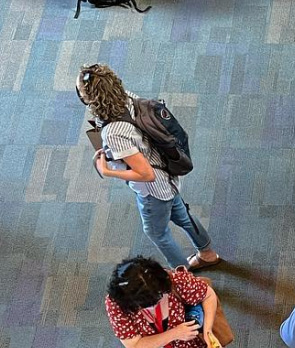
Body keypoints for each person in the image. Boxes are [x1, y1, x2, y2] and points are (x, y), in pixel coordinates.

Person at [76, 63, 220, 271]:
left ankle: (184, 279)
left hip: (154, 190)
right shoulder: (128, 97)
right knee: (182, 215)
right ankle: (208, 254)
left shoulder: (114, 133)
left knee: (156, 232)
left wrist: (107, 171)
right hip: (167, 173)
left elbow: (145, 174)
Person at [105, 255, 244, 348]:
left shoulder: (174, 281)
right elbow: (136, 346)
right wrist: (175, 333)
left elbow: (208, 295)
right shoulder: (117, 303)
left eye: (157, 300)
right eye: (143, 306)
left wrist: (208, 331)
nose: (152, 308)